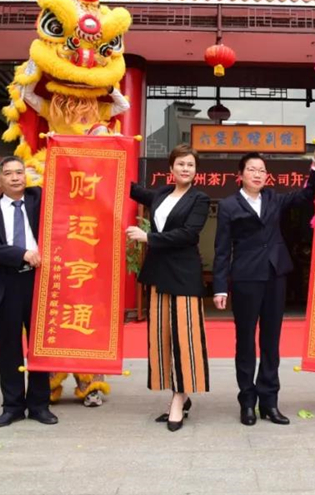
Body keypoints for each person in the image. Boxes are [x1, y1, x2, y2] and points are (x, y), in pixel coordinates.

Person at [213, 147, 315, 426]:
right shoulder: (229, 205)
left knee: (271, 342)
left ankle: (270, 402)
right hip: (245, 278)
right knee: (245, 341)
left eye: (261, 170)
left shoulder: (274, 198)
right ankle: (247, 402)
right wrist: (220, 287)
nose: (257, 174)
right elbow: (222, 249)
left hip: (275, 276)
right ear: (240, 175)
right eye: (252, 169)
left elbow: (306, 195)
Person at [126, 144, 211, 432]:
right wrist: (100, 157)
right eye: (181, 164)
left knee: (184, 338)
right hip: (158, 274)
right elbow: (131, 189)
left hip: (184, 276)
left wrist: (148, 237)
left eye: (190, 165)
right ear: (171, 168)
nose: (186, 169)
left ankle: (179, 397)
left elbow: (188, 235)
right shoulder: (161, 193)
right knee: (161, 337)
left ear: (196, 171)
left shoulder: (199, 198)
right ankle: (179, 394)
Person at [0, 156, 55, 429]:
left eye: (20, 172)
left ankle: (40, 405)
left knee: (40, 347)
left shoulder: (39, 199)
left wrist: (58, 143)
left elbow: (63, 184)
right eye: (8, 173)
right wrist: (21, 254)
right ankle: (12, 407)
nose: (16, 177)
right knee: (9, 348)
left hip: (39, 282)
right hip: (6, 284)